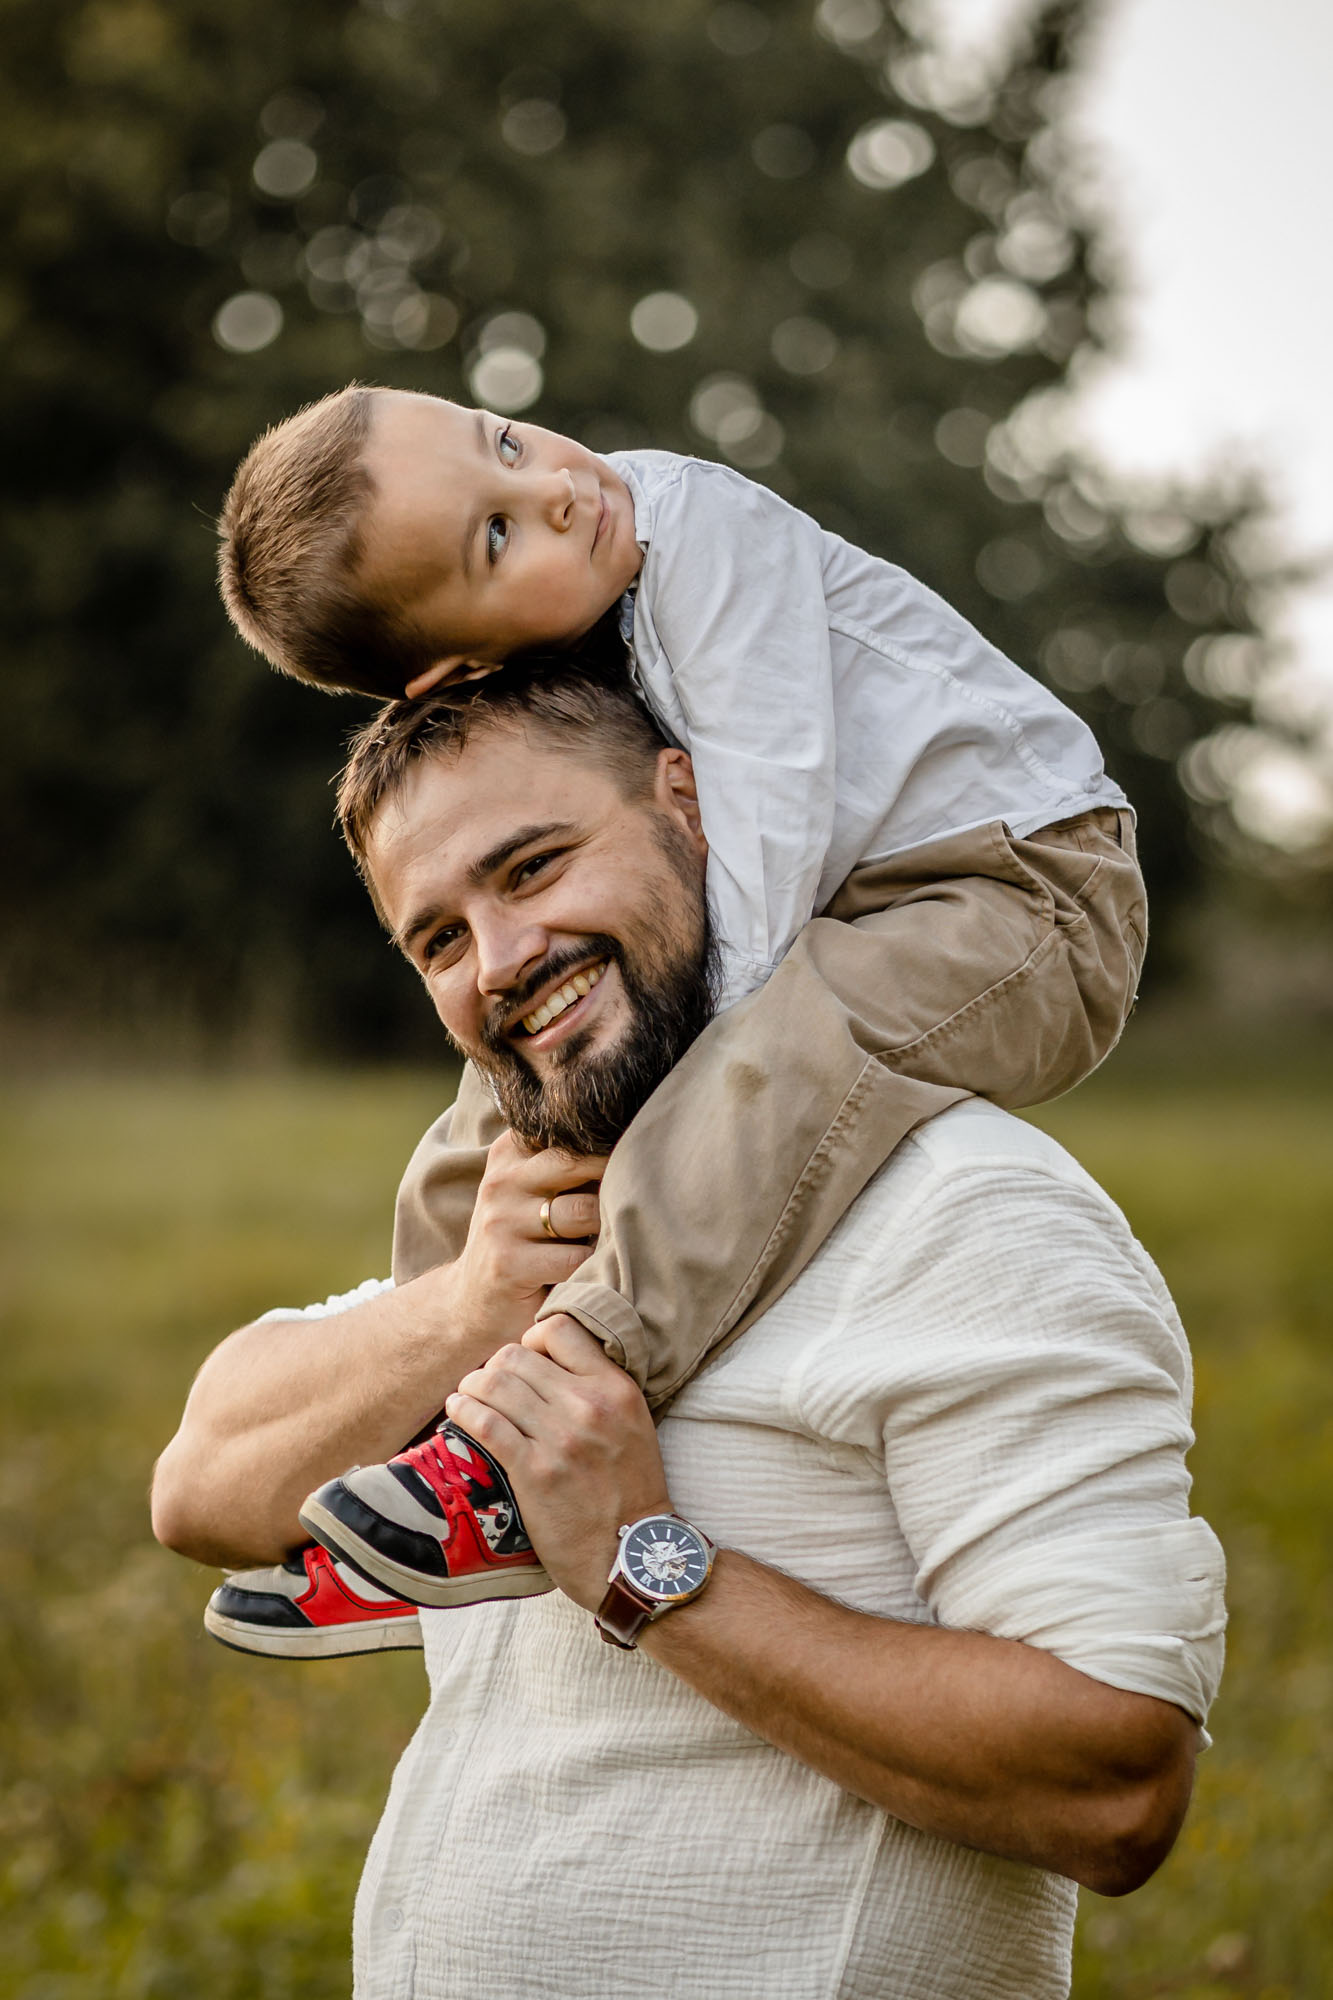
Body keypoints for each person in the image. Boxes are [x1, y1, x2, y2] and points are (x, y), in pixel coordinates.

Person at [151, 664, 1224, 1999]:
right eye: (439, 940)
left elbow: (1117, 1785)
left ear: (690, 802)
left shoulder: (967, 1208)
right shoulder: (532, 1223)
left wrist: (647, 1569)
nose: (501, 959)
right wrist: (465, 1306)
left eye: (534, 866)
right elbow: (201, 1483)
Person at [207, 387, 1147, 1640]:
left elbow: (766, 828)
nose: (557, 488)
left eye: (503, 439)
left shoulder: (697, 532)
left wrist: (680, 1081)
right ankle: (415, 1460)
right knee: (503, 1088)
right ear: (457, 667)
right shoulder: (571, 609)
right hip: (848, 894)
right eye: (496, 534)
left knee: (781, 1053)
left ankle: (537, 1425)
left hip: (1021, 885)